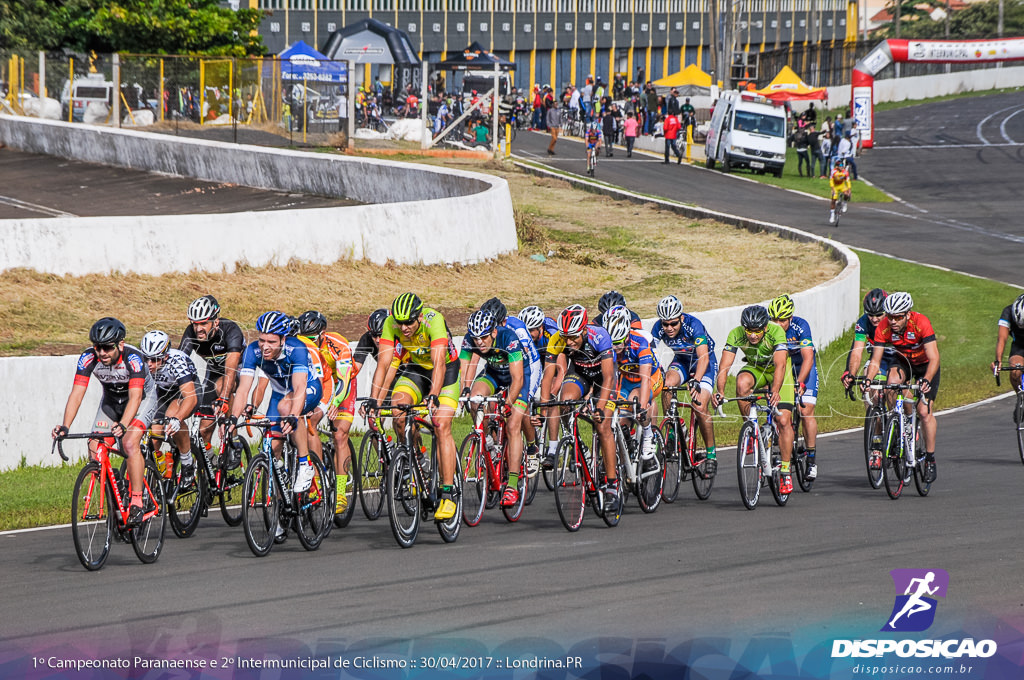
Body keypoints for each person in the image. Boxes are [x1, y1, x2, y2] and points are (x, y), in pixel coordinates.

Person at [53, 318, 159, 526]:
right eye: (98, 347)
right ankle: (116, 498)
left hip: (142, 400)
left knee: (128, 442)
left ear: (120, 344)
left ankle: (137, 500)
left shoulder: (134, 359)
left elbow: (136, 397)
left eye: (107, 348)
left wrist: (124, 424)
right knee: (95, 445)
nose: (102, 353)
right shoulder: (88, 358)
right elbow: (77, 393)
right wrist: (65, 426)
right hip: (111, 402)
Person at [366, 293, 461, 521]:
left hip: (445, 370)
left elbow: (438, 364)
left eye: (409, 322)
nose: (404, 327)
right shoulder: (391, 323)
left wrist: (434, 396)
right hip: (417, 369)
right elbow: (385, 364)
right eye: (400, 322)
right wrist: (374, 401)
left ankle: (448, 494)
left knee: (441, 425)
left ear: (418, 316)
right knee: (398, 413)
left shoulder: (433, 320)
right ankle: (417, 457)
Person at [233, 312, 322, 507]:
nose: (265, 346)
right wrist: (233, 419)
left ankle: (305, 464)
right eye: (262, 340)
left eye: (271, 341)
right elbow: (243, 389)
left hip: (308, 388)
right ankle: (281, 508)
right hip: (280, 392)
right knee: (273, 449)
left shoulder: (296, 348)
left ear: (283, 339)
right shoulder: (252, 351)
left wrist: (292, 416)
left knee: (286, 407)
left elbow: (298, 389)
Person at [540, 304, 620, 512]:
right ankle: (575, 444)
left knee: (602, 426)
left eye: (573, 336)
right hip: (581, 374)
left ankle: (612, 485)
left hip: (604, 378)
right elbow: (548, 375)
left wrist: (600, 408)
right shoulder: (557, 339)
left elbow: (609, 376)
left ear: (584, 330)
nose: (569, 341)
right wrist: (543, 407)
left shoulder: (599, 336)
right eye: (565, 336)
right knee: (563, 401)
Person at [713, 305, 796, 495]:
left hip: (779, 373)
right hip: (757, 369)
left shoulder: (776, 332)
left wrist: (775, 391)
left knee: (783, 420)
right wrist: (720, 391)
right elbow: (724, 366)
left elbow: (781, 364)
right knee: (742, 384)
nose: (752, 335)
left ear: (765, 327)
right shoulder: (736, 334)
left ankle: (785, 470)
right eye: (748, 330)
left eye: (756, 330)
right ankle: (751, 430)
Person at [865, 292, 940, 483]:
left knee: (924, 411)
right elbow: (876, 359)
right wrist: (868, 379)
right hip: (904, 361)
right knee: (891, 382)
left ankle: (930, 459)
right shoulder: (884, 326)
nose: (893, 321)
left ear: (907, 314)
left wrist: (926, 380)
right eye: (889, 316)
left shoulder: (921, 322)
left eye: (897, 317)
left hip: (925, 365)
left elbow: (934, 358)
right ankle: (900, 424)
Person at [459, 310, 530, 506]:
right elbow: (465, 366)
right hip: (494, 374)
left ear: (493, 333)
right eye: (476, 338)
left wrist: (508, 403)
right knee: (474, 399)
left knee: (513, 425)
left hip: (518, 378)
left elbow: (517, 379)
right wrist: (464, 389)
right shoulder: (471, 339)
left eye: (483, 337)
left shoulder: (509, 339)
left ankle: (513, 486)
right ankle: (487, 439)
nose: (479, 342)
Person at [296, 310, 357, 517]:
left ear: (323, 333)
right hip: (320, 382)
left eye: (312, 338)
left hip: (343, 383)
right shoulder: (299, 345)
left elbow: (344, 379)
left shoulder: (337, 344)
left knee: (340, 434)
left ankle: (340, 493)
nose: (308, 342)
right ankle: (317, 477)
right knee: (305, 423)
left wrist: (336, 402)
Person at [651, 295, 718, 474]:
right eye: (665, 324)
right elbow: (651, 353)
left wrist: (696, 380)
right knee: (667, 385)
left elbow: (703, 357)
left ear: (680, 318)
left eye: (673, 323)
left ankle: (711, 454)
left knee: (699, 405)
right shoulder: (657, 328)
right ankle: (672, 430)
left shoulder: (693, 325)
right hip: (682, 360)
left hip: (704, 362)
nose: (669, 328)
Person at [179, 295, 245, 451]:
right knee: (204, 428)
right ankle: (209, 463)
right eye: (195, 324)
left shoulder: (231, 331)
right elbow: (179, 360)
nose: (198, 329)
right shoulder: (191, 333)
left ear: (215, 322)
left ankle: (232, 435)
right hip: (213, 372)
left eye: (203, 323)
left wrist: (223, 399)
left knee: (222, 386)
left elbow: (230, 370)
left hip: (237, 370)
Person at [139, 330, 201, 486]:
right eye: (147, 359)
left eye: (154, 360)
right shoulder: (142, 363)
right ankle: (155, 474)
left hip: (185, 391)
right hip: (161, 392)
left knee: (172, 415)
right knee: (155, 432)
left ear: (165, 356)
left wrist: (177, 419)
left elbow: (190, 397)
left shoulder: (177, 361)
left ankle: (187, 463)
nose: (149, 364)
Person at [768, 294, 819, 480]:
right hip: (784, 369)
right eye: (774, 319)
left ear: (790, 318)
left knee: (805, 410)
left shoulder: (801, 326)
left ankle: (811, 459)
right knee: (777, 408)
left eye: (782, 320)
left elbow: (808, 357)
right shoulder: (768, 329)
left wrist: (801, 382)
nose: (778, 323)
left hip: (803, 367)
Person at [842, 288, 893, 469]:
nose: (874, 319)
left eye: (878, 314)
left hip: (896, 359)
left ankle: (901, 425)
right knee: (870, 391)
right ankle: (877, 447)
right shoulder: (863, 323)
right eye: (870, 314)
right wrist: (851, 374)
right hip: (877, 361)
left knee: (893, 392)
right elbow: (857, 351)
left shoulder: (894, 320)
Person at [603, 306, 663, 458]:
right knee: (620, 420)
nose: (615, 348)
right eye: (612, 344)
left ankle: (649, 434)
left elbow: (645, 379)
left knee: (635, 402)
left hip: (650, 378)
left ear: (626, 336)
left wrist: (642, 407)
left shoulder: (640, 342)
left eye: (618, 344)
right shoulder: (609, 345)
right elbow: (611, 377)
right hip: (627, 381)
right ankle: (628, 453)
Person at [992, 294, 1024, 422]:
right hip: (1019, 347)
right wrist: (998, 361)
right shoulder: (1008, 312)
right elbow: (1002, 338)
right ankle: (1021, 399)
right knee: (1015, 369)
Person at [829, 157, 852, 225]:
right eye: (840, 166)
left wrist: (849, 190)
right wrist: (832, 189)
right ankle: (832, 215)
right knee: (833, 200)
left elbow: (848, 181)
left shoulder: (845, 172)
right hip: (835, 186)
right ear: (837, 167)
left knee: (846, 194)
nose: (842, 167)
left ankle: (844, 203)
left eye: (842, 166)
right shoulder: (833, 171)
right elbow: (831, 181)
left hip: (842, 185)